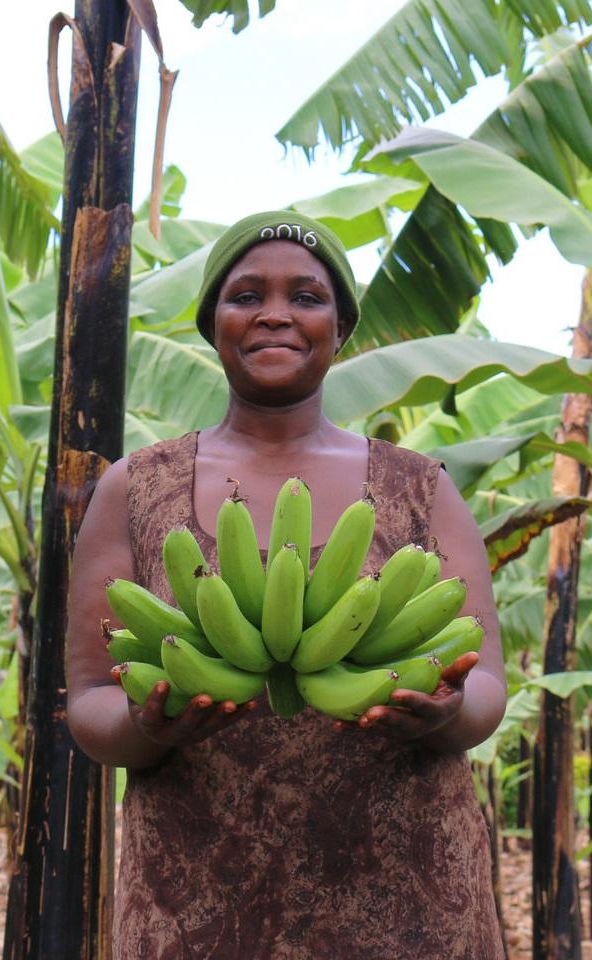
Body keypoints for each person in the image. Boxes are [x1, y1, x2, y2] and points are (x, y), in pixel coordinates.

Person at [64, 210, 508, 958]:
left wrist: (448, 715)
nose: (275, 313)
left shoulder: (418, 488)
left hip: (406, 896)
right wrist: (144, 729)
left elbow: (488, 677)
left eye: (307, 296)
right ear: (212, 323)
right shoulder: (135, 489)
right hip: (198, 895)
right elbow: (90, 696)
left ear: (341, 328)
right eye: (246, 295)